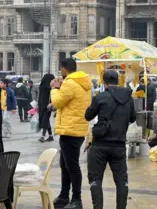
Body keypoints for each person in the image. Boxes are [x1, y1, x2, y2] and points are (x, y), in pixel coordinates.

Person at [84, 70, 135, 209]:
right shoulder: (128, 97)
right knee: (121, 181)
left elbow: (88, 116)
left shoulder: (100, 97)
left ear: (104, 82)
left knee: (95, 180)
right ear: (117, 81)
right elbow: (133, 118)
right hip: (119, 145)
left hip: (99, 145)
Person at [51, 58, 92, 209]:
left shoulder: (69, 82)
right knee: (65, 164)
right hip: (77, 129)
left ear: (64, 69)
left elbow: (57, 102)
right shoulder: (82, 82)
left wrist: (54, 88)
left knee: (72, 166)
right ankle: (64, 195)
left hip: (70, 130)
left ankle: (76, 199)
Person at [37, 74, 55, 143]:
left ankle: (43, 136)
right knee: (46, 120)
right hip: (43, 106)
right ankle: (50, 136)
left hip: (47, 107)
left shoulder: (49, 87)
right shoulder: (46, 87)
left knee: (45, 120)